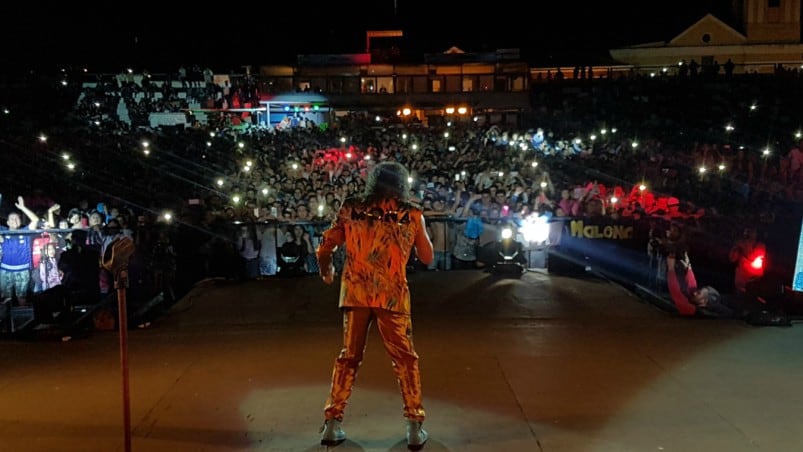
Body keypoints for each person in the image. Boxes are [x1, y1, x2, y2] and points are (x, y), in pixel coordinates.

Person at [315, 161, 434, 449]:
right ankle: (415, 426)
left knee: (349, 357)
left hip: (356, 292)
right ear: (403, 183)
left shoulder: (351, 207)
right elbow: (428, 257)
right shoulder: (412, 213)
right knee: (405, 360)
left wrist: (326, 270)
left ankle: (332, 423)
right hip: (392, 295)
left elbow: (325, 247)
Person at [665, 253, 733, 317]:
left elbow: (677, 294)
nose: (694, 293)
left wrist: (671, 268)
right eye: (698, 291)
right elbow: (692, 288)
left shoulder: (693, 311)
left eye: (698, 293)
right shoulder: (698, 305)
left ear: (704, 301)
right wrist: (688, 268)